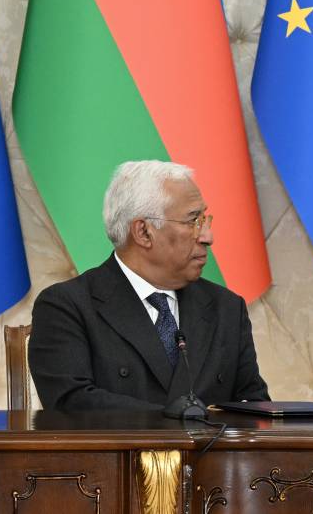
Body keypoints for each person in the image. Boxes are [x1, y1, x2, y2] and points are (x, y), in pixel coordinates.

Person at [29, 161, 270, 411]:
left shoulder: (226, 307)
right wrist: (183, 417)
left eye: (204, 220)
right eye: (193, 221)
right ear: (143, 232)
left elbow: (254, 407)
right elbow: (71, 405)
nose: (208, 237)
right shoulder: (67, 306)